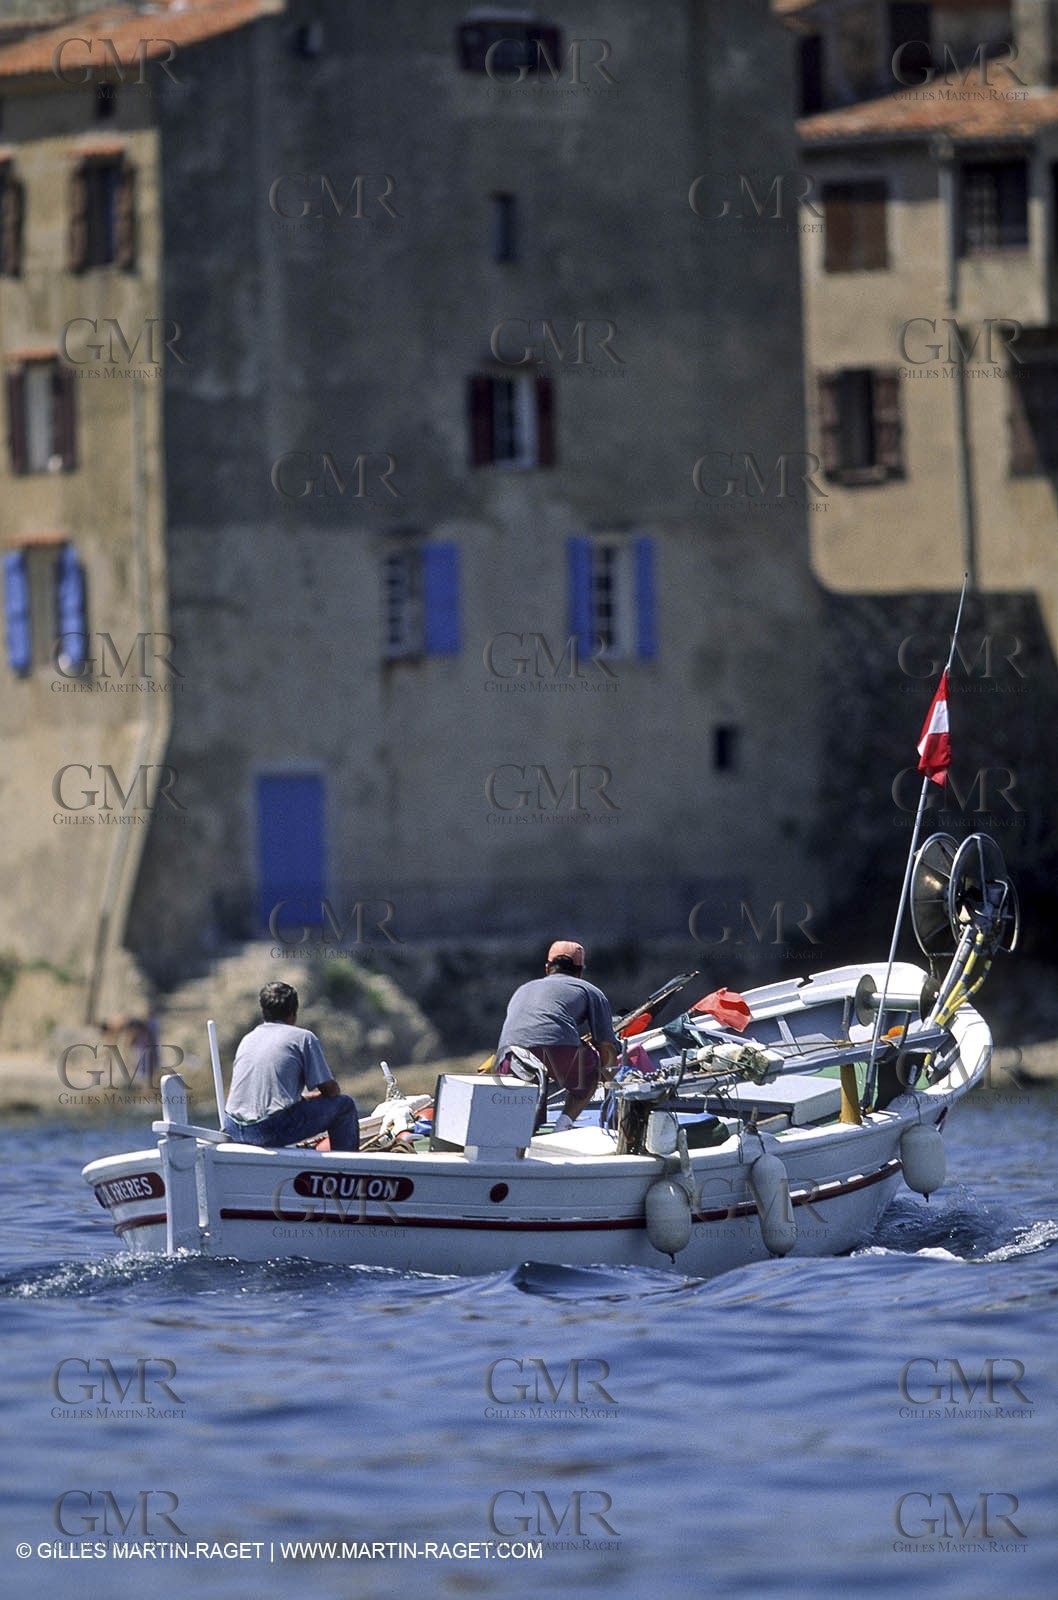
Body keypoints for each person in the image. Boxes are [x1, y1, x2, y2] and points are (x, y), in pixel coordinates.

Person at [494, 940, 618, 1133]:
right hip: (557, 1052)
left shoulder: (523, 989)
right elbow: (606, 1048)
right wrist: (613, 1098)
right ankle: (563, 1125)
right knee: (591, 1070)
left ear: (547, 968)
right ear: (580, 971)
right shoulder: (589, 990)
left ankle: (526, 1134)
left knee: (527, 1119)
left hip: (509, 1056)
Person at [222, 982, 360, 1151]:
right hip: (267, 1130)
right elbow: (330, 1091)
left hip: (234, 1128)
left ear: (263, 1011)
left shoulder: (248, 1038)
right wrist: (324, 1093)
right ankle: (345, 1165)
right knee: (344, 1106)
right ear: (294, 1012)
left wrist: (304, 1099)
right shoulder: (303, 1038)